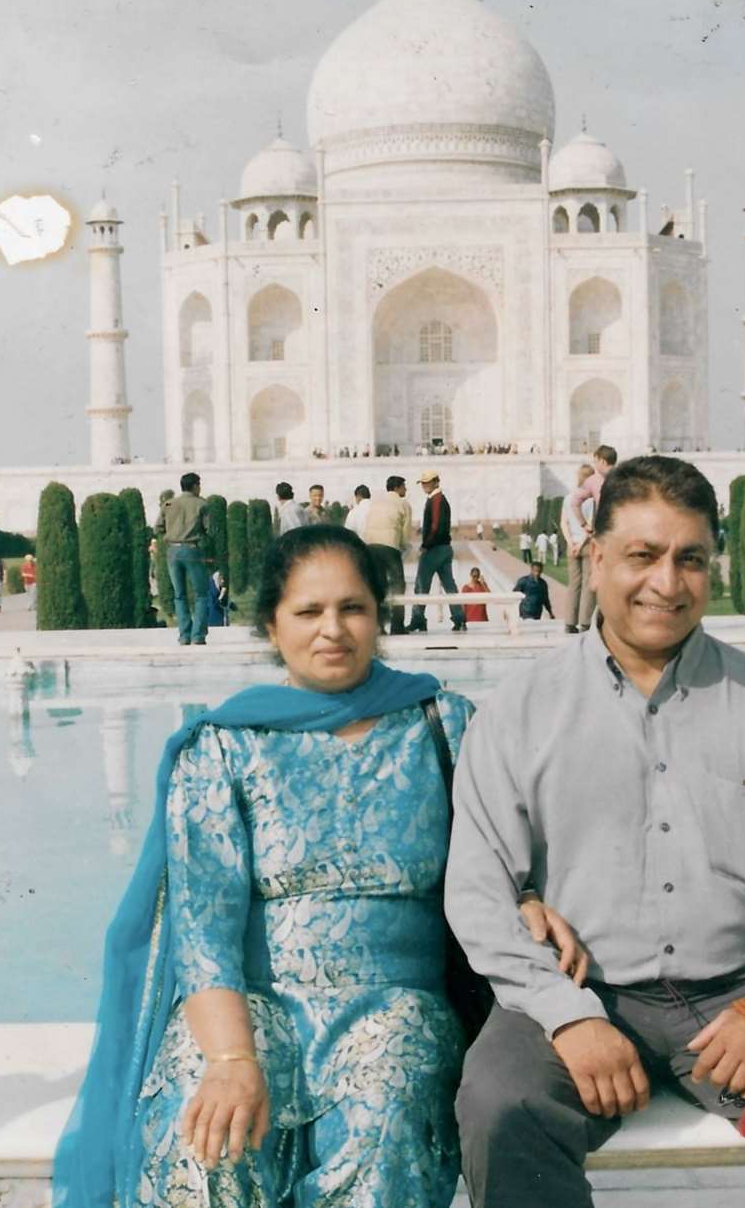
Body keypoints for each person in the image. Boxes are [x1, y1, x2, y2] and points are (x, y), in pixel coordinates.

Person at [53, 524, 584, 1208]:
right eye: (308, 612)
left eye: (352, 608)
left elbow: (500, 857)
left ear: (378, 617)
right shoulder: (224, 747)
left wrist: (527, 898)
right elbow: (203, 932)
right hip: (250, 1011)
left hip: (395, 1007)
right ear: (272, 626)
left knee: (392, 1100)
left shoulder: (442, 726)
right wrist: (230, 1060)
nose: (332, 629)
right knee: (207, 1126)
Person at [446, 454, 745, 1208]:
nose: (667, 582)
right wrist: (569, 1019)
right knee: (501, 1105)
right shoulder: (523, 710)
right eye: (642, 555)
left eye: (689, 559)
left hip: (739, 989)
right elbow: (478, 887)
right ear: (595, 558)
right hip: (582, 989)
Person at [155, 473, 212, 646]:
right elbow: (210, 530)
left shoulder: (169, 504)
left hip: (173, 551)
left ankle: (184, 635)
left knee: (179, 595)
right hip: (192, 550)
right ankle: (198, 636)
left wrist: (170, 536)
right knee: (201, 594)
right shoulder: (201, 504)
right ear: (195, 486)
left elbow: (157, 527)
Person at [407, 471, 466, 634]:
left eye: (427, 482)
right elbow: (435, 523)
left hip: (435, 549)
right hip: (444, 548)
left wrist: (426, 544)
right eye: (423, 483)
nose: (424, 485)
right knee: (449, 586)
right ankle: (459, 619)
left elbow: (436, 526)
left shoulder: (437, 499)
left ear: (435, 482)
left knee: (421, 585)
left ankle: (418, 620)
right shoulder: (437, 499)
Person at [363, 475, 412, 636]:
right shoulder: (403, 503)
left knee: (379, 586)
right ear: (397, 488)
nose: (405, 489)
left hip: (371, 545)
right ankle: (397, 625)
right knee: (398, 585)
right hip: (390, 545)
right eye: (404, 486)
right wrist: (404, 547)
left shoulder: (376, 502)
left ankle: (379, 626)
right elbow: (405, 532)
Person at [561, 463, 597, 634]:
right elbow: (590, 525)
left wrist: (571, 544)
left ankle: (569, 622)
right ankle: (585, 622)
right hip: (587, 544)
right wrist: (581, 544)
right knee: (588, 584)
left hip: (572, 544)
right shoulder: (592, 500)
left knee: (573, 584)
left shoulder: (569, 498)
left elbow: (564, 523)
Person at [567, 444, 618, 535]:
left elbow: (574, 503)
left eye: (595, 462)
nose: (595, 466)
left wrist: (584, 525)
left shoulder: (593, 481)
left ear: (602, 461)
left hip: (605, 530)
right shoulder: (627, 476)